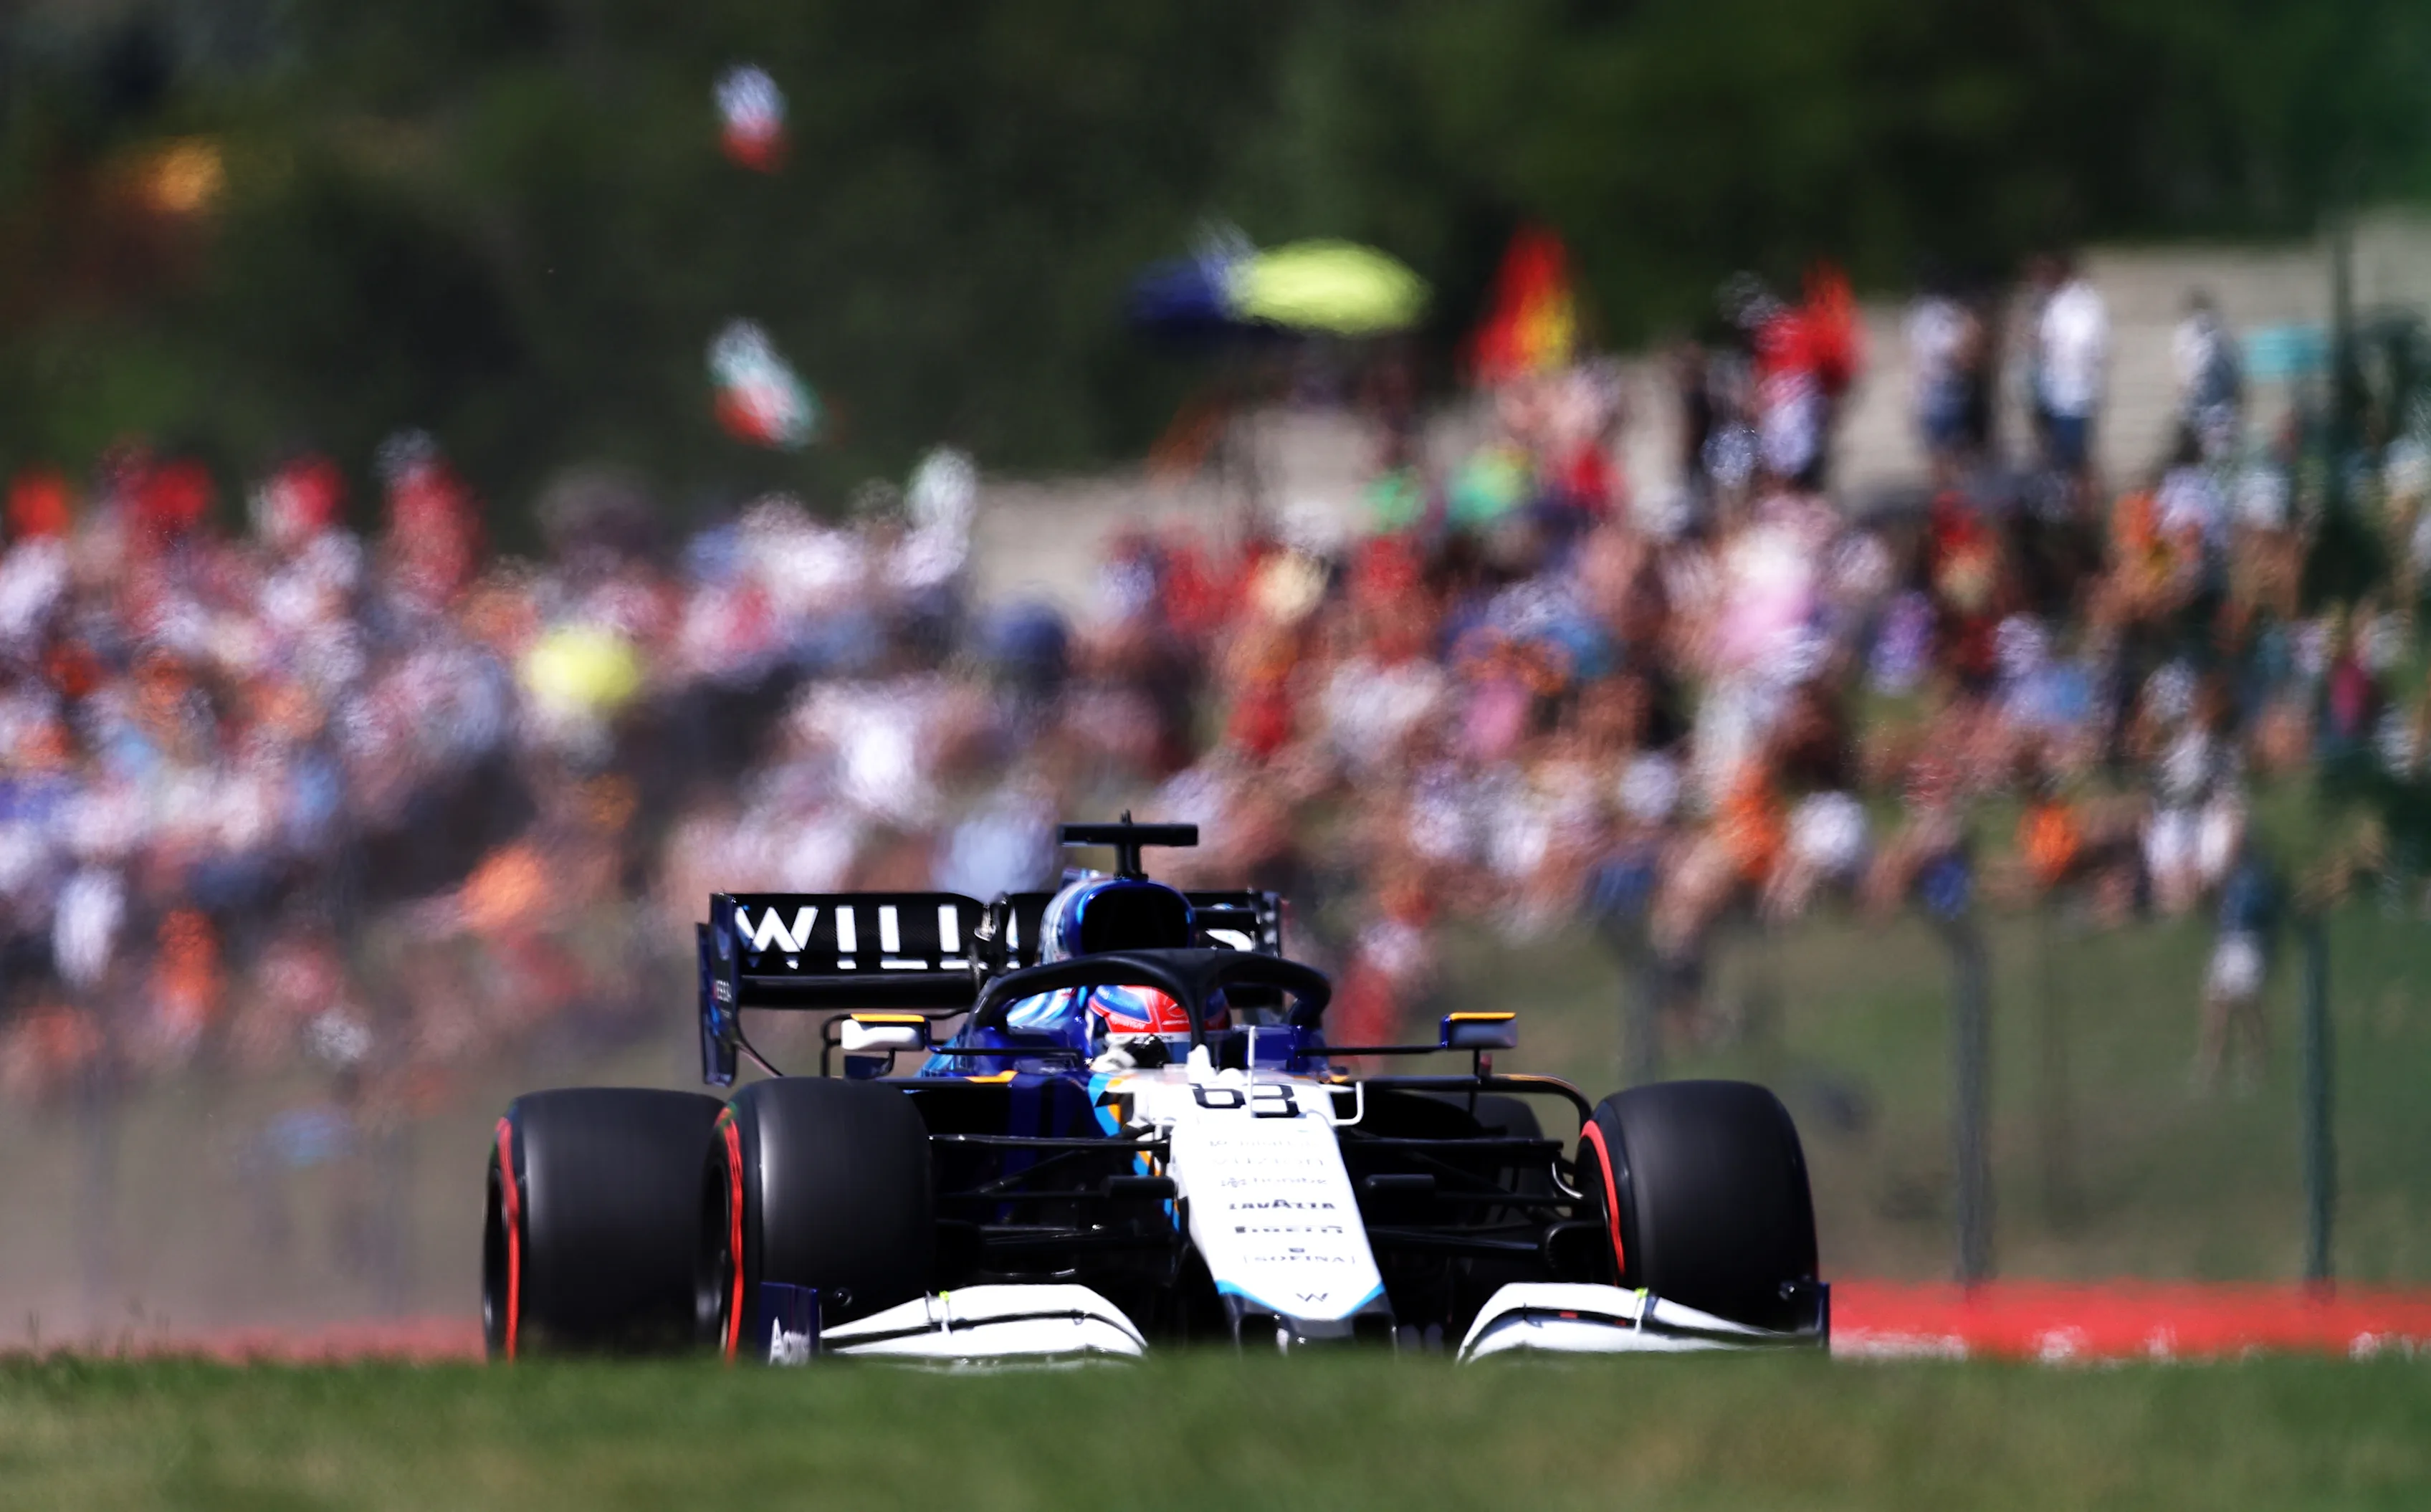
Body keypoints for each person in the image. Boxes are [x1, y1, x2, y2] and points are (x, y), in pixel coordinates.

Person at [2034, 253, 2108, 491]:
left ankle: (2085, 502)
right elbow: (2045, 341)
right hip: (2058, 389)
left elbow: (2092, 345)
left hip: (2077, 390)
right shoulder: (2057, 304)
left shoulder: (2085, 304)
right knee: (2061, 451)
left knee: (2078, 453)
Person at [2172, 290, 2243, 463]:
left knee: (2210, 455)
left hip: (2206, 405)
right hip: (2217, 407)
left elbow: (2189, 375)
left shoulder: (2192, 334)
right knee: (2218, 455)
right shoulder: (2221, 334)